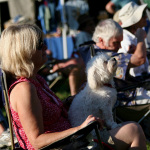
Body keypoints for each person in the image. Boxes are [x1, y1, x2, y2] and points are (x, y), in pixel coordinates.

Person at [0, 23, 147, 150]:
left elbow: (46, 114)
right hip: (65, 145)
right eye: (39, 45)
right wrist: (80, 128)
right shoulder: (24, 89)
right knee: (134, 130)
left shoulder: (36, 79)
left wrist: (72, 100)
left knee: (132, 129)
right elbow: (37, 141)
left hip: (72, 139)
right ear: (24, 53)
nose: (46, 46)